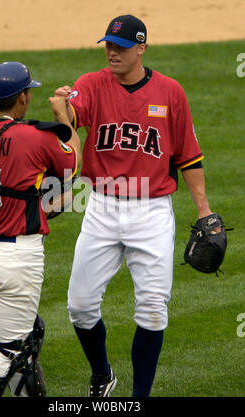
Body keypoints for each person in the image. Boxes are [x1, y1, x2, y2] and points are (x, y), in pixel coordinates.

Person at [54, 14, 219, 397]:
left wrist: (203, 209)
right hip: (101, 207)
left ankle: (138, 399)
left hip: (152, 212)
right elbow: (70, 124)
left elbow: (189, 157)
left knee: (152, 311)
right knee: (79, 305)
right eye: (109, 46)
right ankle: (102, 374)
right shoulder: (90, 85)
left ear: (141, 48)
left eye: (121, 47)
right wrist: (62, 106)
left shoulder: (170, 92)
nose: (113, 53)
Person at [0, 61, 81, 397]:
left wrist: (27, 203)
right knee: (7, 351)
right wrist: (63, 115)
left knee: (24, 341)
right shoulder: (35, 137)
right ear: (23, 97)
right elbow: (74, 165)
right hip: (17, 259)